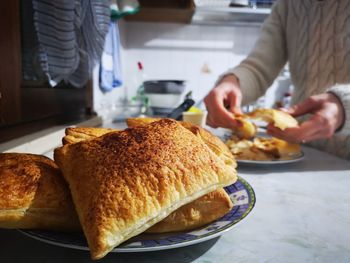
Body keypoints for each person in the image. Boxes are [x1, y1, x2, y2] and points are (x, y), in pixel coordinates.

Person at [204, 0, 350, 160]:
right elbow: (259, 67)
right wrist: (232, 82)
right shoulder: (288, 4)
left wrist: (344, 106)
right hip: (301, 154)